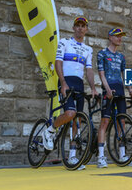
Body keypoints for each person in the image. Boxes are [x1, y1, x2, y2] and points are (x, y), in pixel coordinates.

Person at [42, 17, 98, 170]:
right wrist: (63, 82)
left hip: (79, 84)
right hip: (66, 81)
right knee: (70, 113)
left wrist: (93, 88)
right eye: (78, 26)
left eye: (83, 26)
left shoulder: (88, 49)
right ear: (73, 28)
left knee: (76, 121)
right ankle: (50, 130)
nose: (80, 28)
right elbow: (58, 62)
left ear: (86, 29)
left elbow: (89, 70)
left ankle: (72, 157)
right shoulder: (64, 42)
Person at [96, 28, 132, 168]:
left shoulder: (121, 57)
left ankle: (122, 155)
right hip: (108, 89)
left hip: (120, 90)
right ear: (110, 37)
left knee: (122, 122)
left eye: (121, 36)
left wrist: (130, 91)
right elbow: (101, 74)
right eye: (117, 36)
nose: (120, 38)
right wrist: (107, 89)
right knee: (105, 122)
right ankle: (101, 156)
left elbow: (125, 75)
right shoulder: (102, 53)